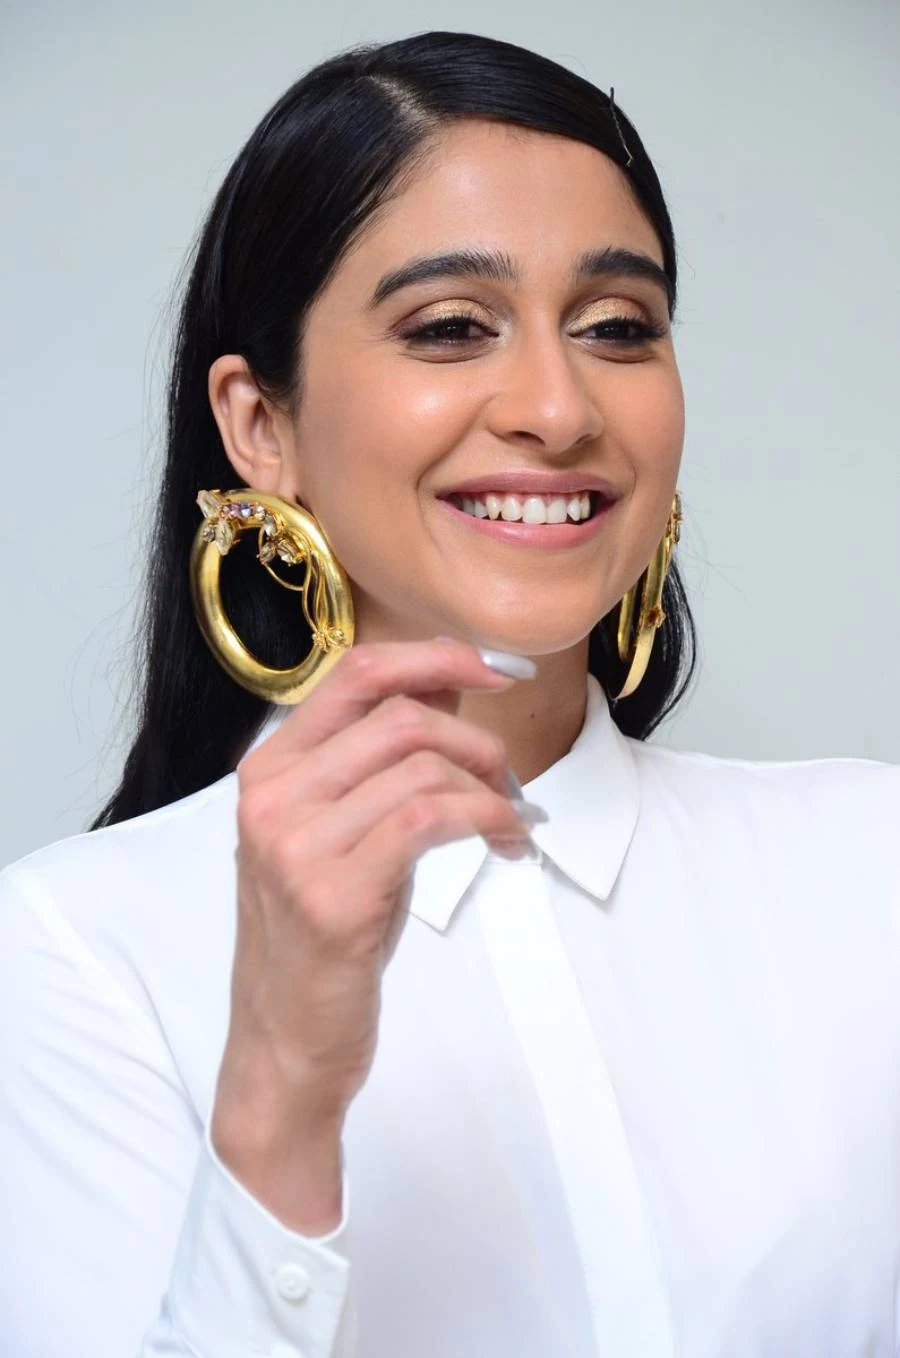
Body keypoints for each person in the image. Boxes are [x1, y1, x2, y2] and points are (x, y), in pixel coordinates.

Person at [1, 29, 897, 1358]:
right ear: (260, 425)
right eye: (449, 328)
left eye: (618, 327)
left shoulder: (868, 863)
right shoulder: (76, 953)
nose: (558, 407)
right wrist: (280, 1091)